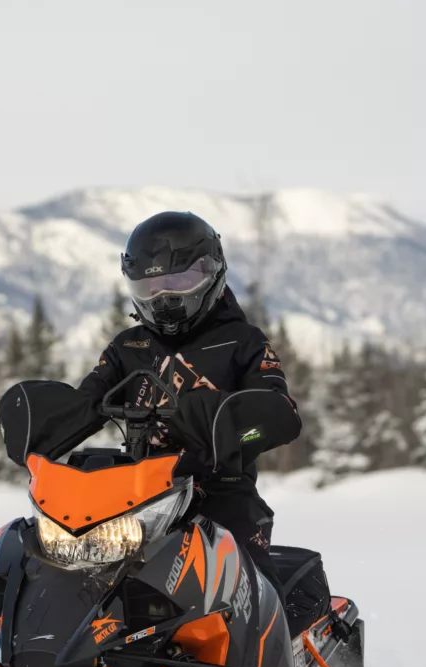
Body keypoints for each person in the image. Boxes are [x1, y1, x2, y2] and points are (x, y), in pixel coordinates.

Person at [77, 211, 302, 586]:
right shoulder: (129, 347)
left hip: (221, 496)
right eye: (151, 289)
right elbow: (87, 397)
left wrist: (226, 419)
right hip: (136, 502)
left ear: (212, 273)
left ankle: (269, 638)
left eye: (180, 282)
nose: (164, 299)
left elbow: (282, 414)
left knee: (248, 590)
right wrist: (48, 415)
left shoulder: (243, 342)